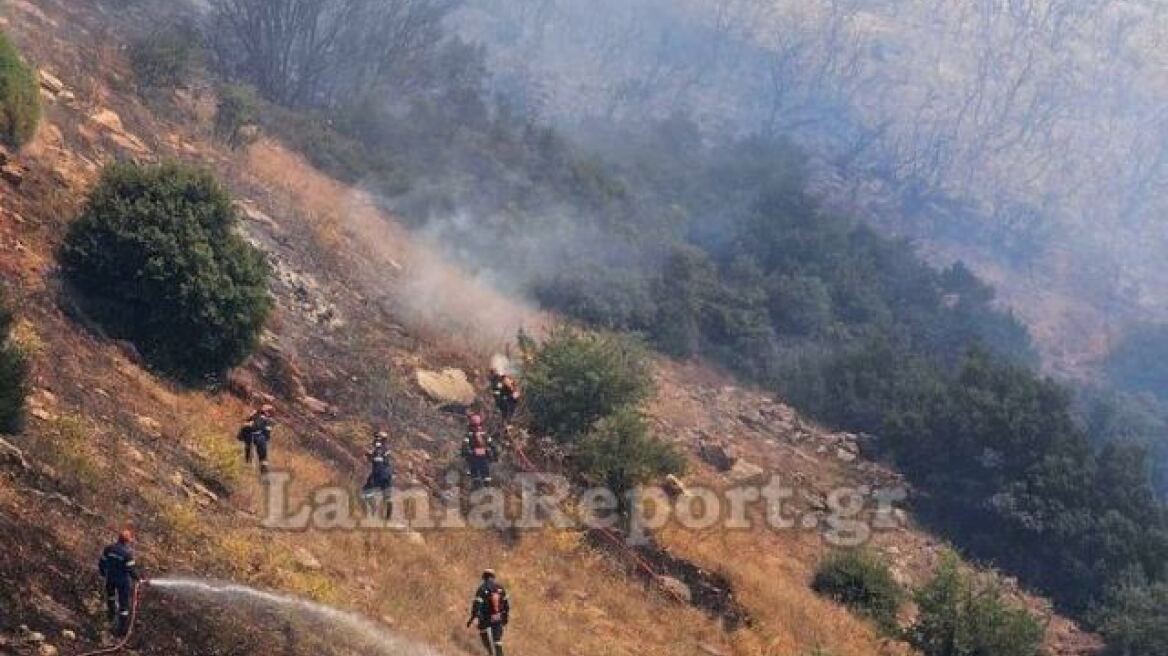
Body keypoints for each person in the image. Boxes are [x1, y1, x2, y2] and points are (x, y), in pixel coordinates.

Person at [98, 529, 144, 637]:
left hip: (110, 578)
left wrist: (103, 573)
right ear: (128, 541)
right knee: (124, 605)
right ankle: (122, 629)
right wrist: (139, 579)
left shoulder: (109, 549)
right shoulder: (127, 554)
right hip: (123, 582)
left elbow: (102, 562)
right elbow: (131, 570)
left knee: (110, 597)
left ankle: (110, 615)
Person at [466, 569, 510, 656]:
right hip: (498, 617)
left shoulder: (482, 588)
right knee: (497, 640)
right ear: (493, 577)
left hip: (486, 617)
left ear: (484, 577)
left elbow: (477, 603)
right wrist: (505, 617)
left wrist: (473, 617)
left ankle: (490, 651)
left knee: (482, 630)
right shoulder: (500, 587)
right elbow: (506, 605)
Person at [361, 430, 394, 518]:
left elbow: (376, 458)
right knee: (387, 495)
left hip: (379, 472)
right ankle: (388, 515)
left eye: (377, 438)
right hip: (388, 474)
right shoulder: (387, 449)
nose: (375, 439)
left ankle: (373, 507)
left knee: (365, 491)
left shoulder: (377, 447)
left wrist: (368, 456)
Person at [462, 414, 497, 487]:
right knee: (475, 474)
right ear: (471, 426)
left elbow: (493, 445)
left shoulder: (485, 435)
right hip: (474, 458)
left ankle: (486, 486)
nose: (477, 428)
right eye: (475, 426)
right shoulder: (469, 436)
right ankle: (476, 484)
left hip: (484, 458)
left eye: (479, 425)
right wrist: (470, 452)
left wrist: (493, 453)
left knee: (486, 474)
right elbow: (465, 447)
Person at [238, 404, 275, 473]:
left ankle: (254, 467)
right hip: (257, 437)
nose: (270, 413)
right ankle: (259, 469)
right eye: (269, 412)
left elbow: (247, 422)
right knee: (261, 455)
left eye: (270, 412)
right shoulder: (264, 418)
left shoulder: (258, 416)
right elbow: (267, 433)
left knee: (253, 452)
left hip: (255, 437)